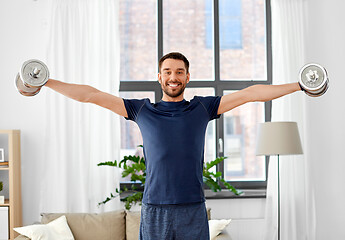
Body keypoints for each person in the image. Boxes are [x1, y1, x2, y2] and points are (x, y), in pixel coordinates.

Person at [44, 52, 302, 240]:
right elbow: (91, 95)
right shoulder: (141, 110)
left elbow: (250, 94)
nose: (173, 77)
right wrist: (45, 82)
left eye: (179, 72)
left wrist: (300, 85)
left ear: (187, 77)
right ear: (159, 77)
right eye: (167, 72)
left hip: (192, 208)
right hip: (155, 208)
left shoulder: (203, 108)